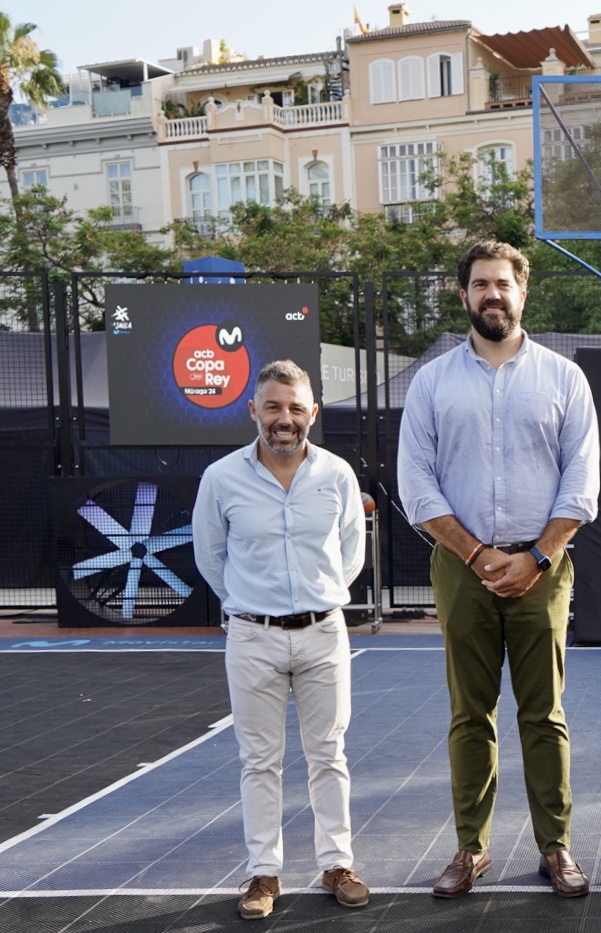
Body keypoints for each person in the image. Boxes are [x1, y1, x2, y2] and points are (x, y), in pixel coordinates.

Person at [397, 240, 600, 899]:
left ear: (522, 292)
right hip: (463, 568)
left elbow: (582, 483)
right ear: (464, 295)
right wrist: (476, 554)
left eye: (503, 283)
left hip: (544, 566)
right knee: (470, 715)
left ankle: (556, 847)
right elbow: (416, 484)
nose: (492, 294)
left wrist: (537, 555)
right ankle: (471, 847)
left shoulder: (563, 378)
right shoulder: (432, 382)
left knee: (544, 714)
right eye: (481, 283)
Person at [192, 360, 369, 920]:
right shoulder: (221, 478)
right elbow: (210, 558)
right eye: (273, 407)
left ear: (312, 412)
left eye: (295, 408)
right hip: (252, 638)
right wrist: (250, 606)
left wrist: (319, 599)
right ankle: (263, 873)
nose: (284, 418)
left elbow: (351, 554)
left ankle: (337, 865)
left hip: (324, 635)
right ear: (254, 411)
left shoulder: (337, 474)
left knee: (329, 755)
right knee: (259, 761)